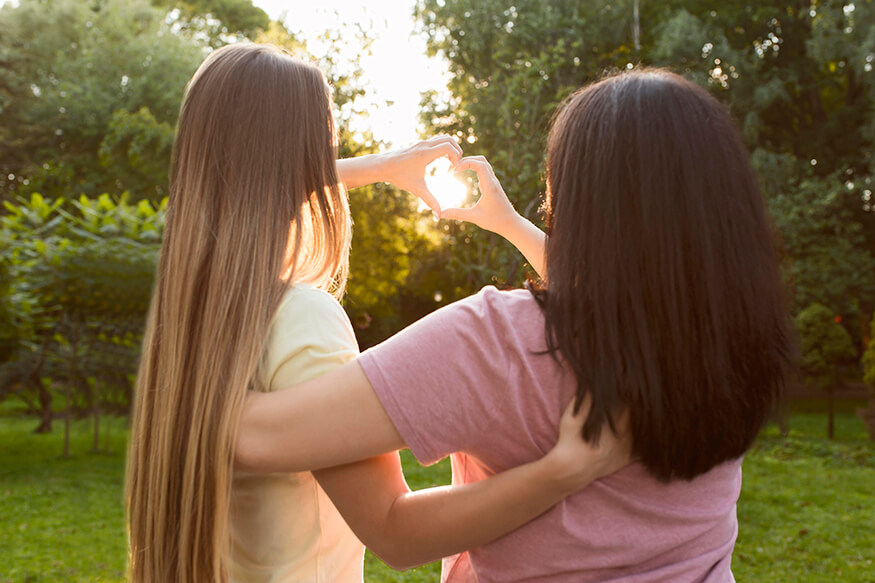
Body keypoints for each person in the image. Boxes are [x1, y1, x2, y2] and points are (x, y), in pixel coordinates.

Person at [237, 68, 793, 582]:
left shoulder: (501, 343)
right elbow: (622, 291)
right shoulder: (727, 334)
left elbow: (252, 436)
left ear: (577, 199)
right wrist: (507, 224)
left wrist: (383, 167)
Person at [124, 42, 630, 583]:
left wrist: (389, 167)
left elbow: (226, 186)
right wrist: (563, 471)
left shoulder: (187, 318)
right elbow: (398, 528)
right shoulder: (300, 318)